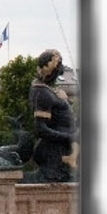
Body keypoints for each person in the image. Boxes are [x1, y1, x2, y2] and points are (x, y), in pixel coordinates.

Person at [29, 49, 78, 182]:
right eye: (58, 73)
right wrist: (69, 137)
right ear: (53, 72)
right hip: (54, 155)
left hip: (63, 151)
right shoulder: (42, 93)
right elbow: (40, 129)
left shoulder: (48, 90)